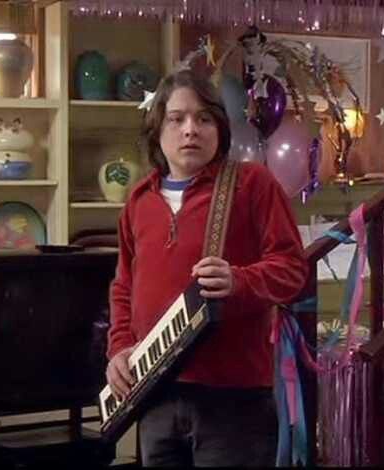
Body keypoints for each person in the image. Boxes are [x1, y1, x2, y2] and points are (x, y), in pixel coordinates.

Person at [105, 69, 308, 467]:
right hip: (155, 393)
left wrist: (240, 280)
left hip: (233, 398)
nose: (190, 130)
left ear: (220, 127)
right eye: (176, 118)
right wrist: (119, 349)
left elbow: (293, 271)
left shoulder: (252, 184)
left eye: (203, 118)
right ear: (157, 129)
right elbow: (124, 286)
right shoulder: (138, 200)